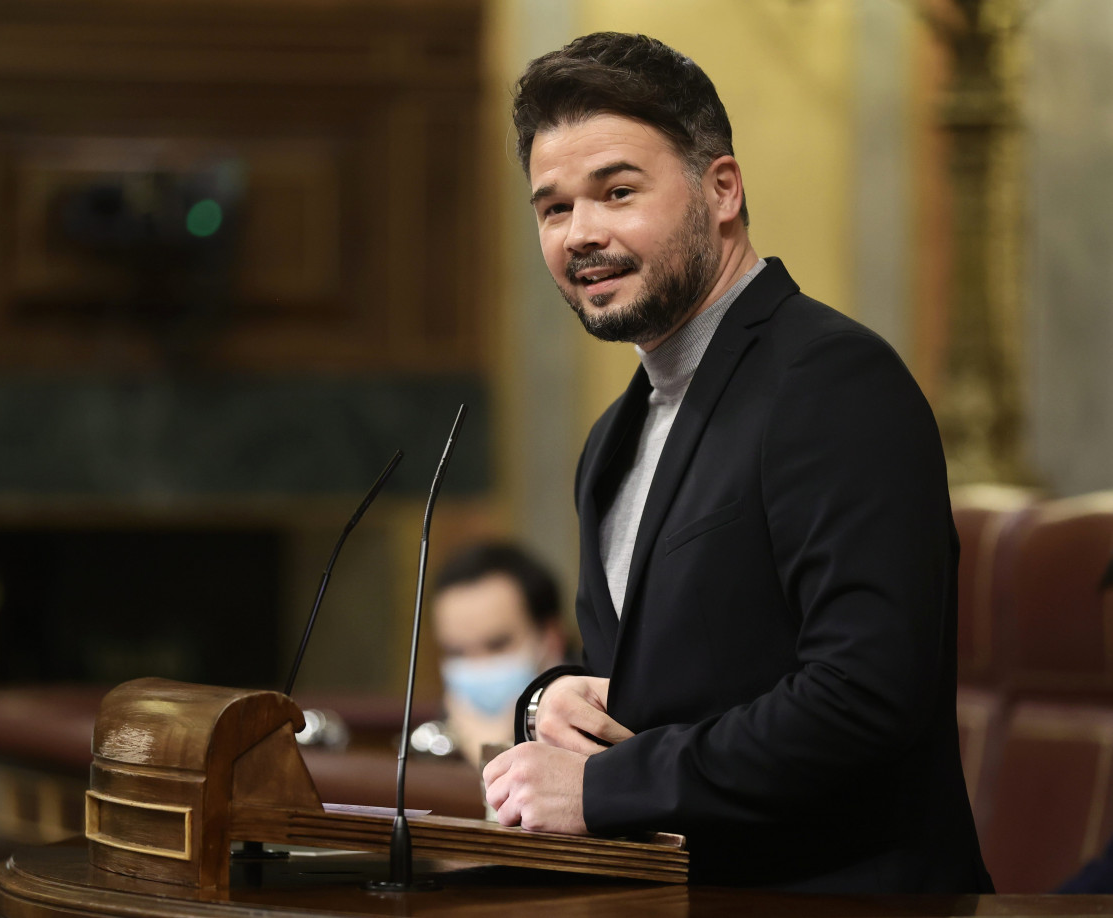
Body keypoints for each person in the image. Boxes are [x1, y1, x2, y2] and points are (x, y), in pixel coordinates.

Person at [481, 32, 993, 894]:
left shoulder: (831, 378)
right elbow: (659, 680)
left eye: (616, 191)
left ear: (721, 189)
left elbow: (865, 696)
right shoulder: (613, 436)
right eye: (553, 208)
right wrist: (550, 701)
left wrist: (606, 786)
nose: (581, 234)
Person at [415, 542, 568, 768]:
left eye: (497, 645)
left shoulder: (596, 727)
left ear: (551, 638)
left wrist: (494, 752)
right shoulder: (432, 744)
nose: (478, 666)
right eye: (456, 651)